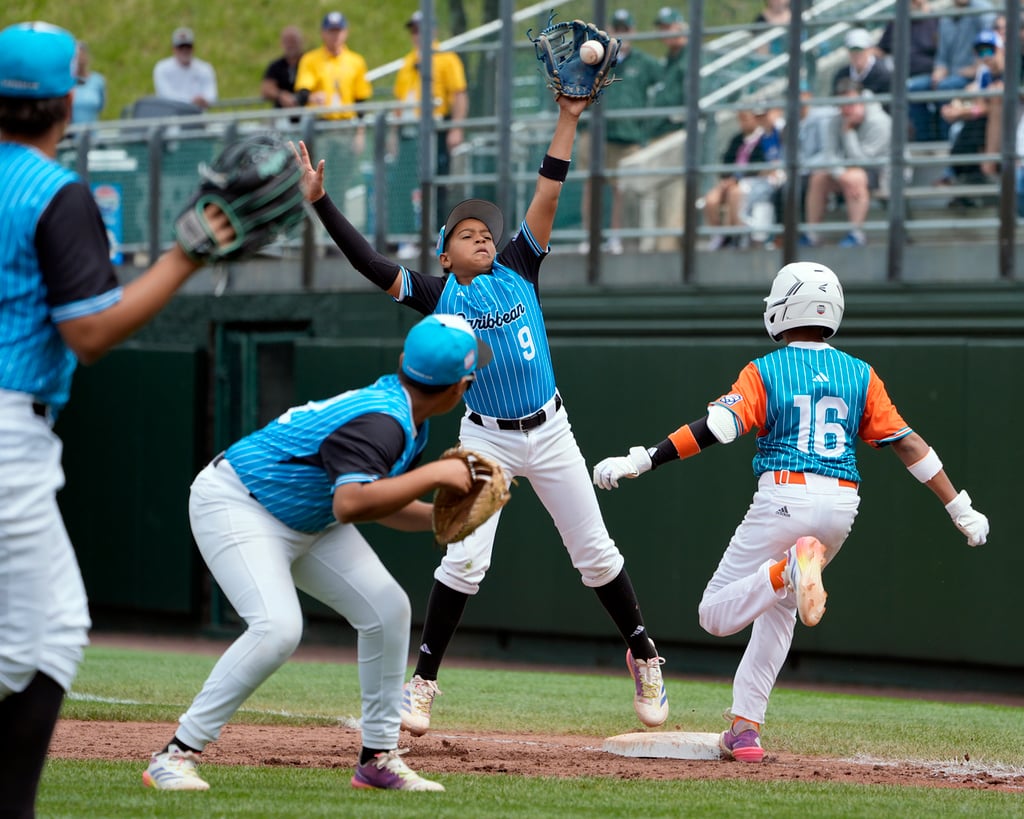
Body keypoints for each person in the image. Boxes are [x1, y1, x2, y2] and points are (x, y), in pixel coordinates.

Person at [291, 90, 669, 740]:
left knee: (595, 554)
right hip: (483, 438)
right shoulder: (439, 295)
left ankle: (644, 652)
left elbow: (548, 190)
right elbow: (370, 264)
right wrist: (323, 203)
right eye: (468, 234)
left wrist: (569, 117)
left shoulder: (522, 265)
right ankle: (424, 684)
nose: (483, 236)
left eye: (487, 230)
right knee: (463, 562)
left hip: (549, 430)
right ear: (444, 255)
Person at [592, 260, 990, 763]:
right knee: (779, 613)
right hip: (841, 507)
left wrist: (644, 458)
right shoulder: (861, 374)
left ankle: (785, 571)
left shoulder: (765, 369)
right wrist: (961, 507)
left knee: (715, 614)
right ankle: (745, 729)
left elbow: (716, 427)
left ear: (784, 307)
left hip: (785, 496)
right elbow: (908, 445)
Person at [0, 21, 233, 817]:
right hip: (7, 428)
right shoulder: (54, 191)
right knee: (33, 641)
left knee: (49, 632)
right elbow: (90, 331)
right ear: (69, 100)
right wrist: (185, 258)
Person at [142, 313, 490, 793]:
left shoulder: (402, 411)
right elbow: (351, 503)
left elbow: (375, 502)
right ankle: (175, 755)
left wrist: (438, 520)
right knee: (277, 628)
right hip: (239, 503)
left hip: (306, 518)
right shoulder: (385, 421)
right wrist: (431, 478)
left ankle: (377, 760)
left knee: (387, 609)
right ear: (460, 387)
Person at [576, 8, 661, 255]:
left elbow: (664, 86)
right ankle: (589, 237)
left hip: (629, 134)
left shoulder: (645, 62)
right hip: (596, 133)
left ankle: (616, 237)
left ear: (633, 31)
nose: (622, 34)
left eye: (626, 29)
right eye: (617, 28)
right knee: (592, 186)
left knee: (621, 189)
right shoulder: (596, 59)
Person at [391, 9, 469, 257]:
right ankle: (408, 236)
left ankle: (437, 236)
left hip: (435, 128)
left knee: (435, 185)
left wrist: (455, 128)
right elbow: (399, 102)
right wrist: (394, 134)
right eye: (414, 30)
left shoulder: (445, 58)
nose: (417, 35)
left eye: (421, 29)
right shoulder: (407, 62)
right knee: (405, 186)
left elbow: (459, 95)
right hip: (410, 130)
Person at [803, 78, 892, 248]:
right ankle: (812, 234)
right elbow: (829, 155)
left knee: (856, 177)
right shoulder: (834, 121)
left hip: (881, 173)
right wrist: (841, 175)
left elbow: (864, 161)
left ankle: (856, 234)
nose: (846, 109)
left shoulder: (880, 122)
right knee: (818, 178)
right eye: (842, 104)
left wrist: (848, 131)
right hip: (847, 172)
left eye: (851, 103)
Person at [938, 29, 1004, 201]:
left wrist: (962, 111)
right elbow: (981, 104)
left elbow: (994, 107)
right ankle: (966, 190)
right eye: (981, 52)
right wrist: (957, 108)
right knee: (961, 133)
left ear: (1001, 49)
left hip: (1008, 125)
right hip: (985, 123)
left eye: (990, 50)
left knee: (966, 134)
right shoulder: (984, 72)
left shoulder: (1011, 70)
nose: (986, 55)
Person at [702, 108, 776, 250]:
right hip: (731, 181)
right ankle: (718, 235)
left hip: (749, 182)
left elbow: (760, 165)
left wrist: (736, 179)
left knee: (734, 193)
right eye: (741, 119)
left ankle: (734, 236)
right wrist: (727, 179)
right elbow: (727, 161)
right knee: (711, 199)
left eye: (746, 118)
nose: (744, 122)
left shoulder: (763, 139)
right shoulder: (737, 139)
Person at [649, 6, 689, 251]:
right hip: (660, 136)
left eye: (669, 27)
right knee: (660, 201)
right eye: (662, 28)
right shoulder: (670, 61)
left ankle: (668, 251)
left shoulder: (689, 56)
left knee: (672, 200)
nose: (666, 33)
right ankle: (662, 249)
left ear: (680, 26)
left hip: (678, 136)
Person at [930, 0, 996, 140]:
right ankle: (927, 142)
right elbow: (942, 56)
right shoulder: (946, 17)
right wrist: (939, 70)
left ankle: (945, 143)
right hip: (957, 76)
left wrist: (977, 68)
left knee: (946, 88)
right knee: (915, 88)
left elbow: (990, 43)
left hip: (974, 78)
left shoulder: (982, 9)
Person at [876, 0, 940, 140]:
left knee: (910, 88)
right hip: (900, 76)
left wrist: (940, 70)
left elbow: (944, 52)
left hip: (930, 75)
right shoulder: (898, 21)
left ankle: (924, 141)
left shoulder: (936, 19)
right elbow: (880, 50)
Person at [153, 27, 218, 110]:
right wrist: (192, 101)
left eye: (188, 47)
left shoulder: (205, 68)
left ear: (193, 48)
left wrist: (205, 100)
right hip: (171, 118)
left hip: (198, 117)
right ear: (173, 49)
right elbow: (166, 95)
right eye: (181, 47)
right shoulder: (162, 68)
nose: (184, 50)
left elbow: (212, 95)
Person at [832, 28, 892, 112]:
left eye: (860, 49)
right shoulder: (841, 75)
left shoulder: (884, 75)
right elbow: (835, 104)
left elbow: (888, 109)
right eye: (853, 50)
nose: (856, 54)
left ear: (870, 49)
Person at [261, 25, 305, 110]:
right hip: (282, 114)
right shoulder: (276, 66)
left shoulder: (309, 63)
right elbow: (266, 88)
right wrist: (281, 95)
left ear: (300, 42)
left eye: (293, 41)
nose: (290, 45)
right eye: (287, 42)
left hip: (307, 112)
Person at [70, 41, 106, 124]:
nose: (79, 60)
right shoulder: (67, 82)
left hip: (92, 133)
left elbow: (101, 106)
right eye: (76, 57)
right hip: (72, 133)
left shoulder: (98, 81)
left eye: (81, 56)